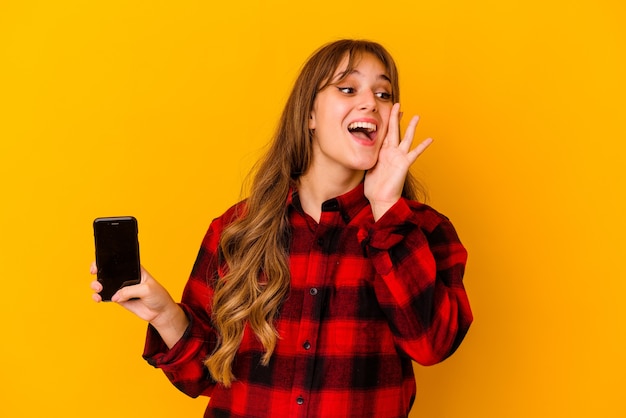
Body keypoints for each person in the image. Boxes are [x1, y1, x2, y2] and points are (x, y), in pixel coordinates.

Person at [90, 39, 472, 418]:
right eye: (348, 88)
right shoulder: (238, 229)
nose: (371, 102)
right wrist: (164, 315)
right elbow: (204, 376)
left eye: (384, 93)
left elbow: (433, 345)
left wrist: (387, 209)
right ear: (309, 114)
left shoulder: (422, 230)